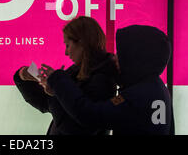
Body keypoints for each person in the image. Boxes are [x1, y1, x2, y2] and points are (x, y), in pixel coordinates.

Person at [40, 24, 175, 135]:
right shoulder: (159, 90)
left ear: (136, 57)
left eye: (122, 54)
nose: (115, 57)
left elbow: (90, 115)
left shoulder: (134, 97)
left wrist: (58, 81)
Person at [13, 16, 118, 135]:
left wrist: (56, 88)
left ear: (82, 43)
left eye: (68, 45)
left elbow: (76, 125)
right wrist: (23, 77)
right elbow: (45, 103)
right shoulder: (76, 71)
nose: (66, 52)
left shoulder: (102, 80)